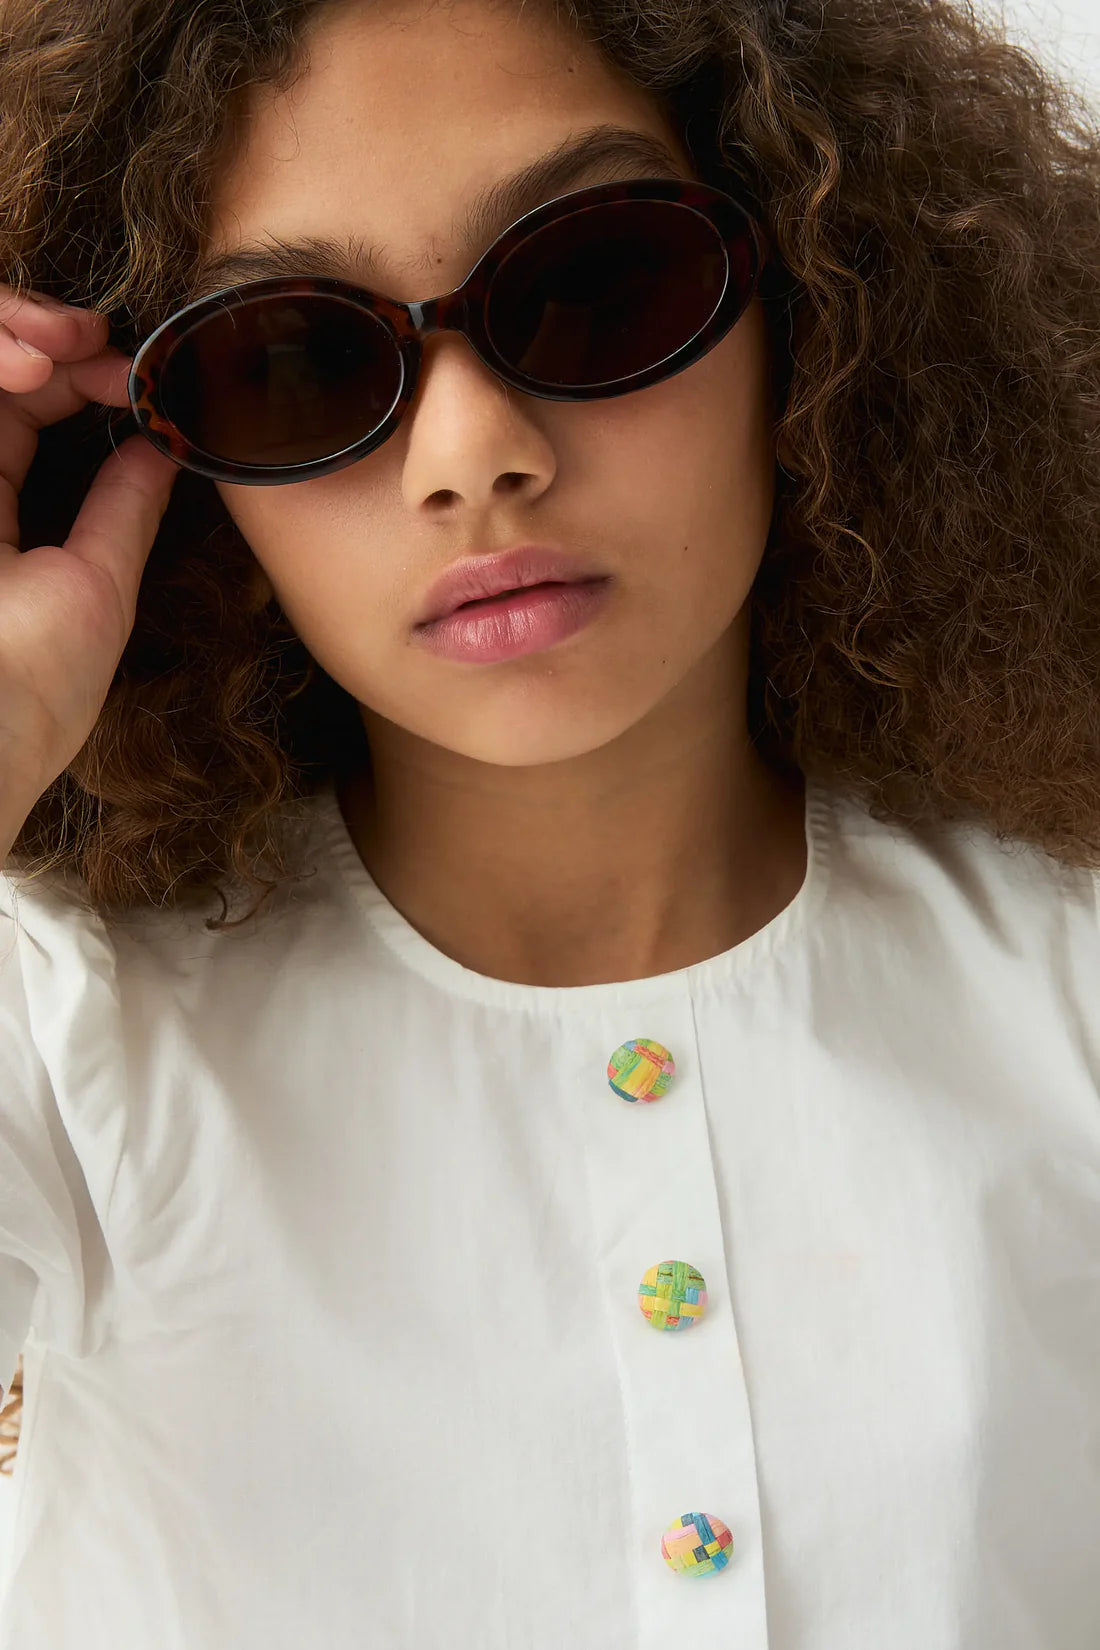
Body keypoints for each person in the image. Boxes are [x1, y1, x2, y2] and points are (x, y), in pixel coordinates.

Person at [0, 0, 1098, 1642]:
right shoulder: (66, 1034)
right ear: (160, 450)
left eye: (598, 281)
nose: (474, 455)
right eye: (294, 361)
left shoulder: (1066, 971)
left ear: (813, 297)